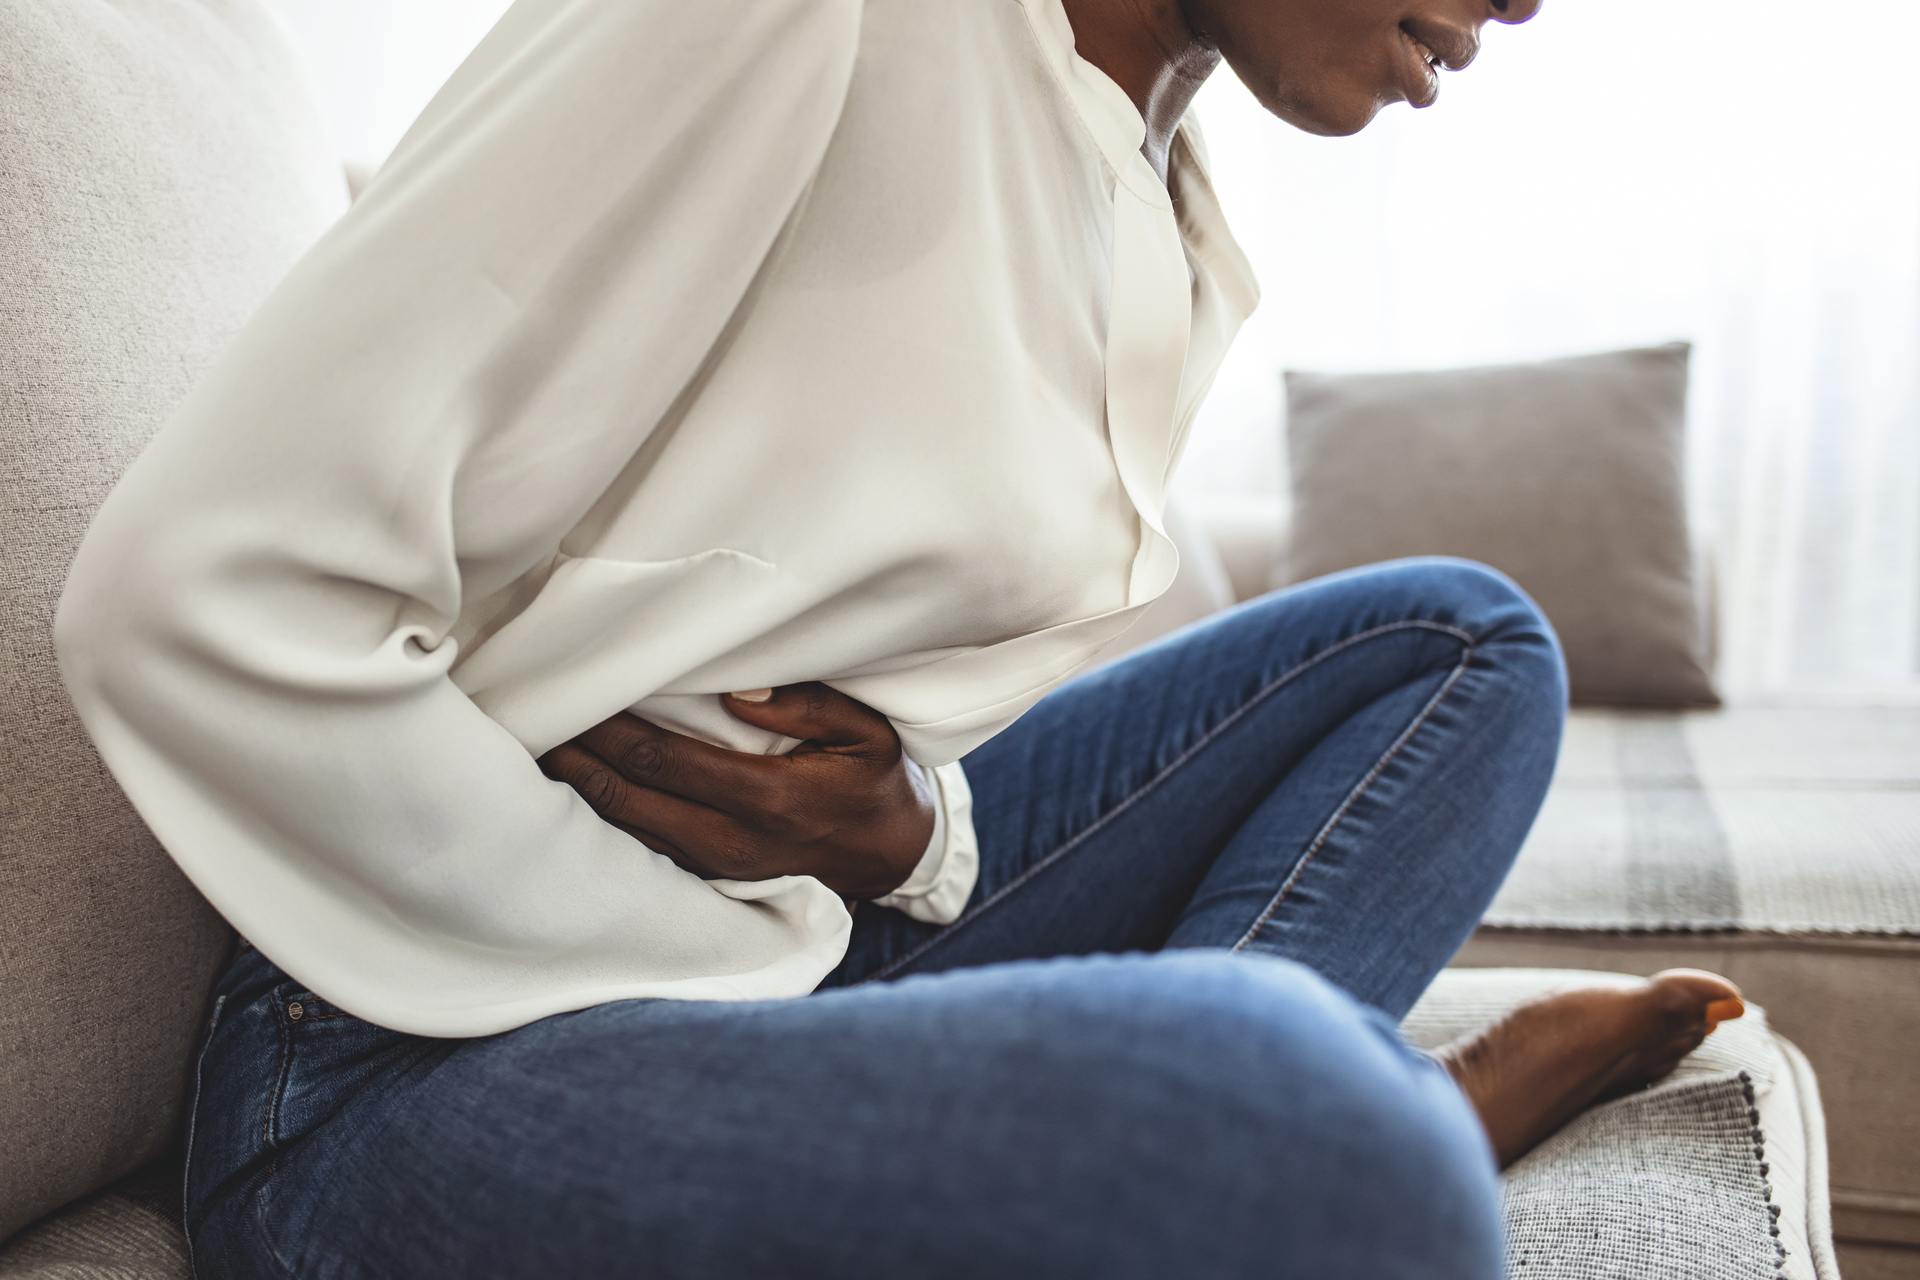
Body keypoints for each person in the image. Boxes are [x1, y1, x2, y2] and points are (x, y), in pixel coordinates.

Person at [52, 0, 1745, 1275]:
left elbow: (838, 689)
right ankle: (1335, 1137)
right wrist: (732, 952)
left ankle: (1203, 1167)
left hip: (793, 938)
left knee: (1462, 649)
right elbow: (197, 591)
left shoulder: (1143, 178)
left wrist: (919, 841)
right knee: (1304, 1106)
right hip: (408, 1054)